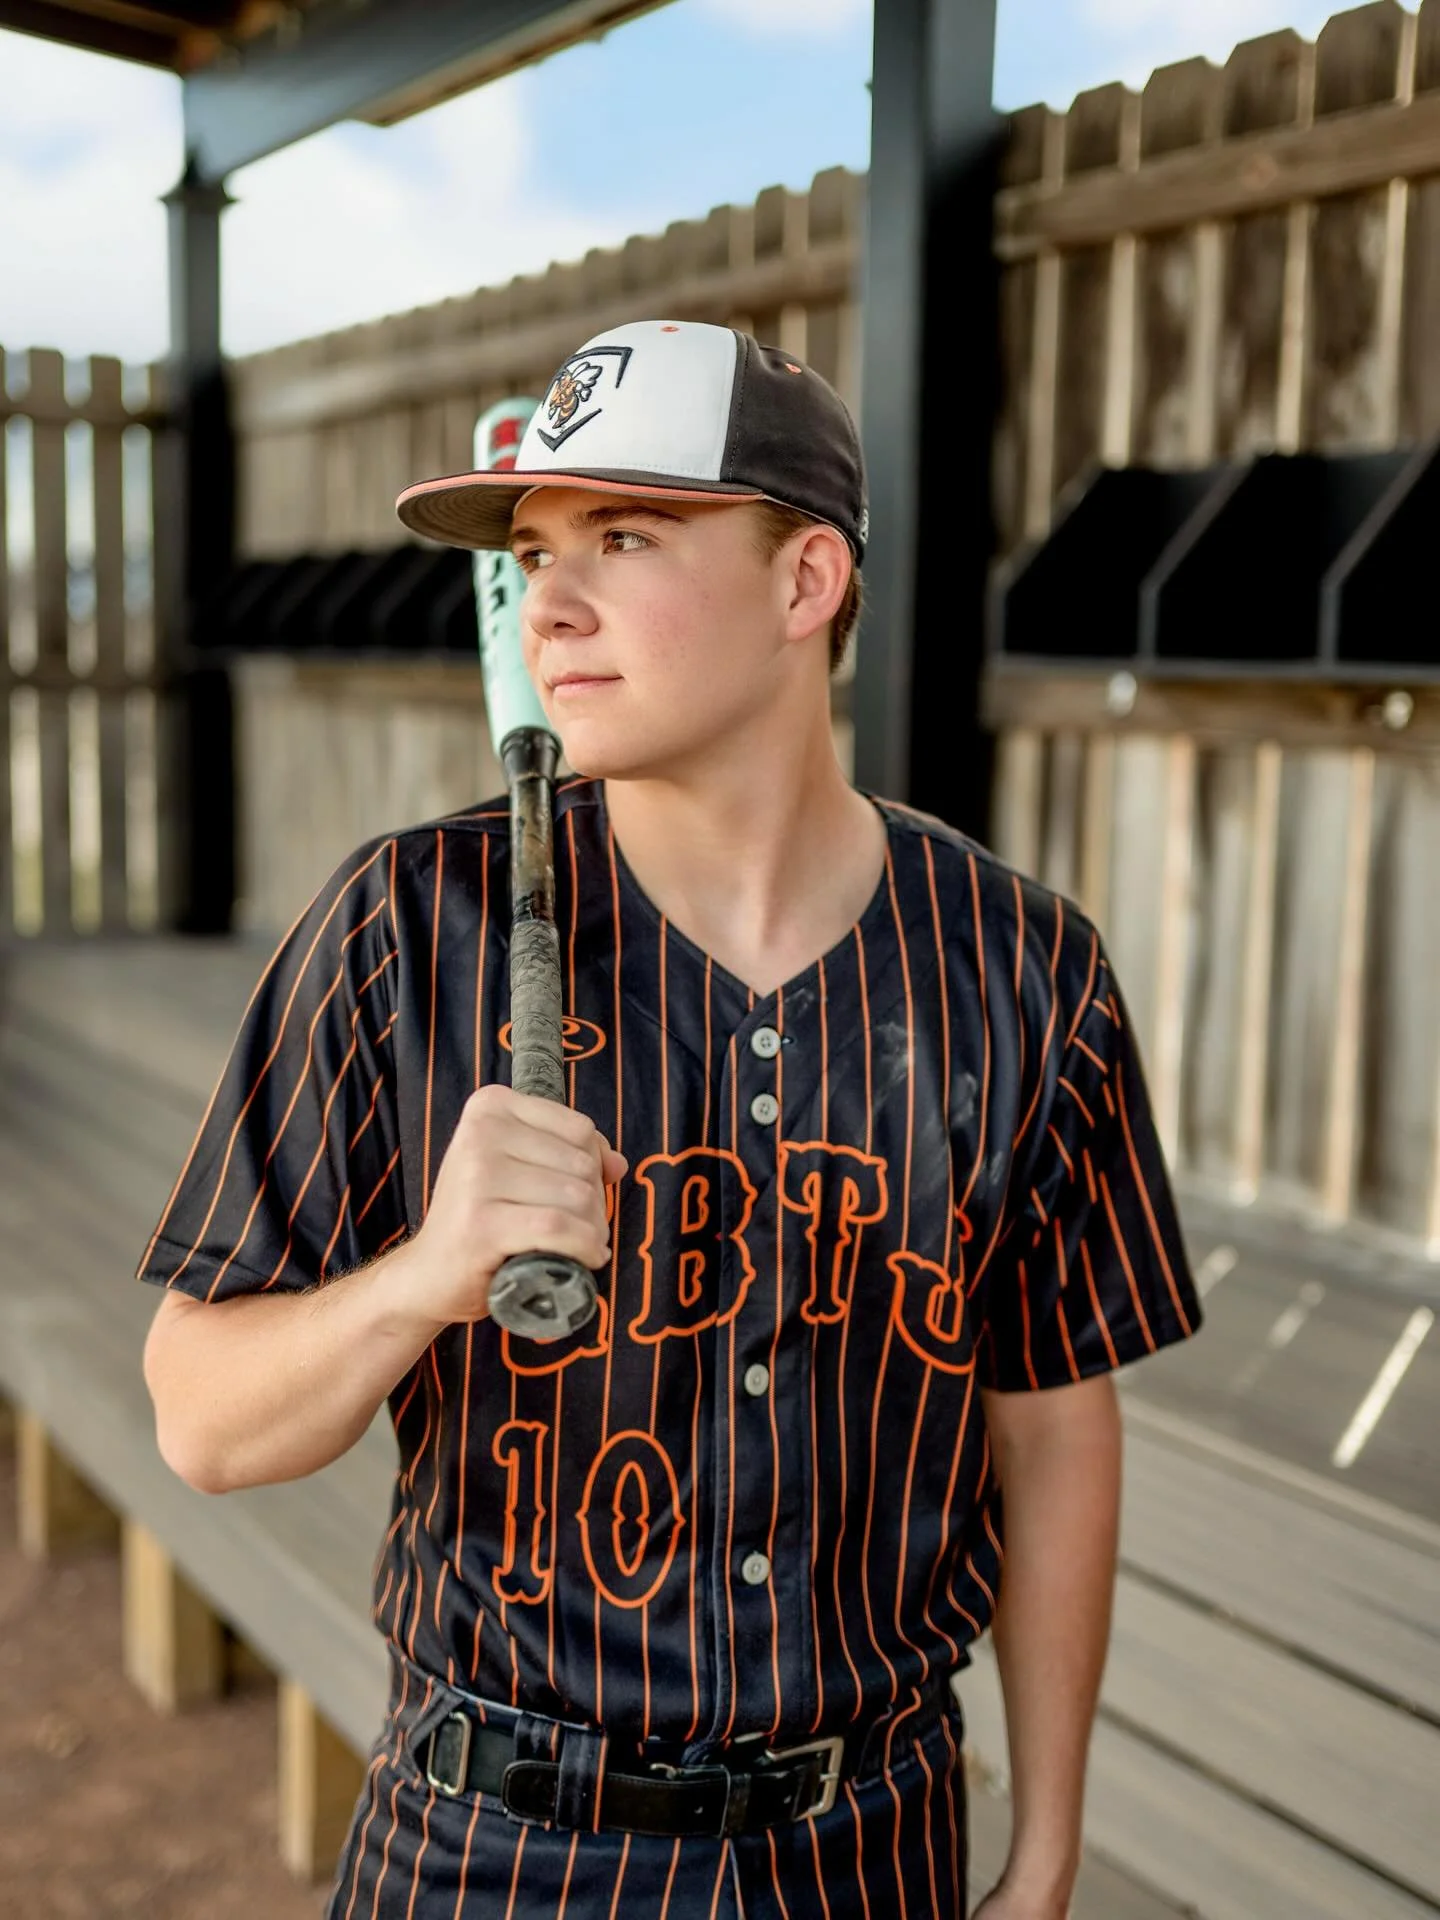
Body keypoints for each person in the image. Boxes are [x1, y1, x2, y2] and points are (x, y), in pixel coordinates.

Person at [137, 319, 1201, 1920]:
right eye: (534, 553)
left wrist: (1046, 1853)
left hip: (869, 1851)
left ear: (806, 581)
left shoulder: (1024, 971)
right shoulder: (409, 928)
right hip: (497, 1853)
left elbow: (1050, 1426)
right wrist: (421, 1279)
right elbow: (204, 1422)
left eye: (625, 540)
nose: (550, 606)